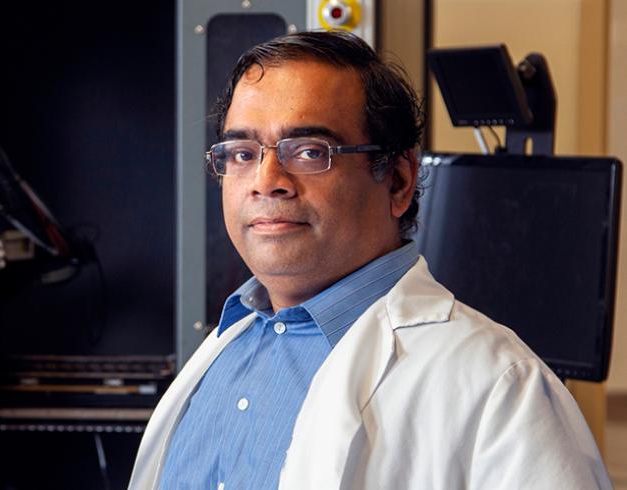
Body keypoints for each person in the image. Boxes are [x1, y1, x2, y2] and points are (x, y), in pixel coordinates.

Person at [129, 31, 611, 489]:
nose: (266, 179)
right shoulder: (222, 351)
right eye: (241, 153)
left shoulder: (502, 389)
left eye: (310, 151)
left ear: (399, 181)